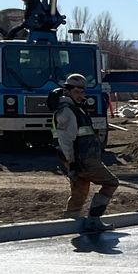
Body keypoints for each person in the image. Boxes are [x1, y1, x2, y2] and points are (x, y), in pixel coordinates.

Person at [52, 72, 119, 232]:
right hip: (83, 160)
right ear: (67, 90)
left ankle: (69, 225)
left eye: (82, 91)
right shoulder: (67, 111)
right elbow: (66, 140)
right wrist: (72, 163)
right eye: (76, 91)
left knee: (79, 193)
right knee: (111, 183)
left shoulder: (75, 109)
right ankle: (94, 220)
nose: (80, 94)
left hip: (80, 159)